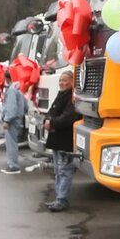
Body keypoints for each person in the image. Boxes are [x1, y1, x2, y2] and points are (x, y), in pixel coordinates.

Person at [42, 70, 78, 211]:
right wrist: (47, 120)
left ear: (72, 82)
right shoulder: (61, 94)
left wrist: (51, 123)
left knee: (64, 170)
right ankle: (59, 198)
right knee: (58, 171)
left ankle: (62, 199)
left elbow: (68, 117)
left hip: (65, 140)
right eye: (60, 81)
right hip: (57, 139)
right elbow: (51, 112)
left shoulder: (73, 98)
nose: (62, 83)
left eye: (65, 80)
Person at [0, 72, 25, 174]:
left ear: (6, 78)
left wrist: (7, 120)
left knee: (11, 143)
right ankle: (13, 164)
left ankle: (13, 165)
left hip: (12, 121)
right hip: (18, 118)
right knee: (13, 142)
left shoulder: (11, 90)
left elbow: (11, 107)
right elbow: (25, 105)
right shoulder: (19, 88)